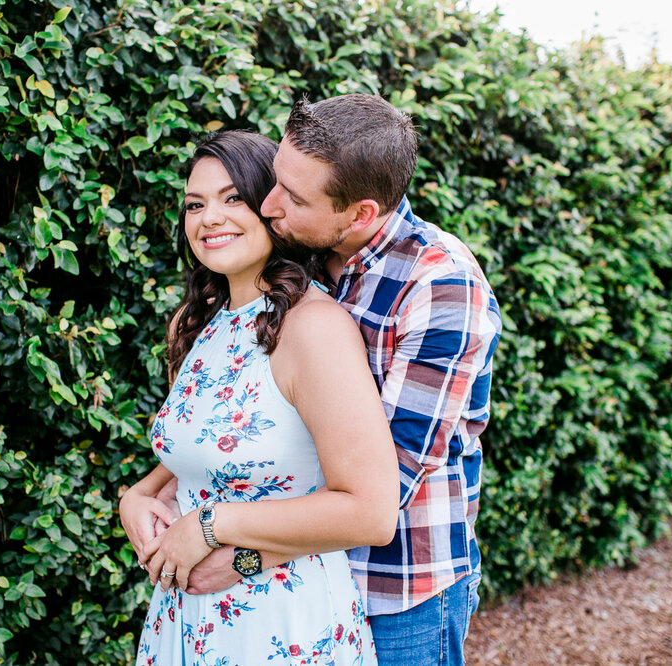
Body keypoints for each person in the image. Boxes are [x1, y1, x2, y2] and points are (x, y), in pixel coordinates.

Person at [171, 95, 503, 666]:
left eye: (293, 198)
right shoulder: (306, 261)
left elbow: (384, 490)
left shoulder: (439, 286)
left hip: (398, 592)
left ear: (360, 214)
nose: (269, 205)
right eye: (274, 181)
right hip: (296, 580)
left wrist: (238, 549)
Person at [121, 130, 400, 664]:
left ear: (271, 209)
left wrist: (208, 524)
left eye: (233, 199)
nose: (209, 218)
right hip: (186, 614)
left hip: (282, 620)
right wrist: (136, 496)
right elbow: (213, 453)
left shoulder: (312, 328)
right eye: (195, 204)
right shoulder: (196, 323)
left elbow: (371, 512)